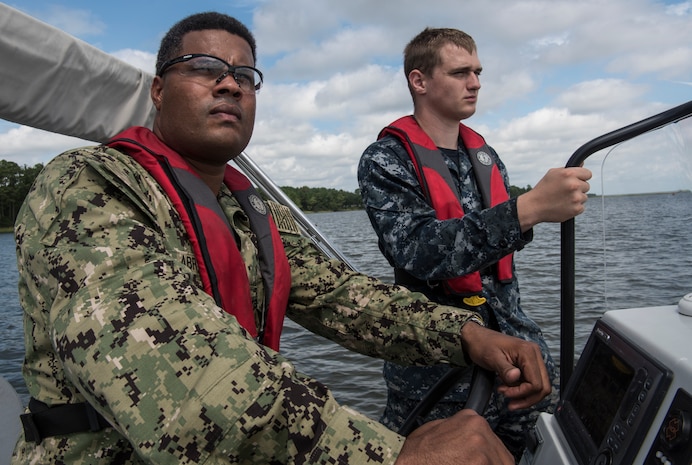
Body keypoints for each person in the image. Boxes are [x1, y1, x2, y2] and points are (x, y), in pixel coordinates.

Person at [11, 13, 552, 465]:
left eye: (245, 76)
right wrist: (392, 457)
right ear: (158, 90)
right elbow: (185, 383)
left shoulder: (251, 210)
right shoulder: (90, 184)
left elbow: (345, 297)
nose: (229, 83)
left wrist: (463, 333)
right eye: (203, 68)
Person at [358, 27, 592, 460]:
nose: (476, 83)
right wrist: (529, 208)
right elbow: (418, 250)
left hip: (520, 355)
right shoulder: (385, 160)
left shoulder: (485, 155)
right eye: (461, 72)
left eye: (478, 72)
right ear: (419, 81)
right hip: (438, 376)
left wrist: (530, 211)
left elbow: (497, 252)